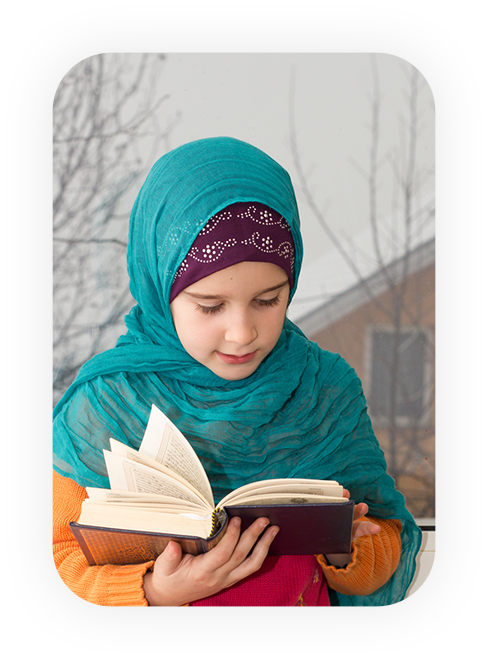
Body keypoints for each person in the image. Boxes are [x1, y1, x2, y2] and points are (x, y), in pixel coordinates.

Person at [52, 136, 421, 607]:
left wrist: (347, 548)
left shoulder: (325, 391)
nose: (242, 332)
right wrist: (155, 591)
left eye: (268, 300)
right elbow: (62, 556)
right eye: (210, 306)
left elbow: (386, 541)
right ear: (159, 291)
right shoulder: (103, 407)